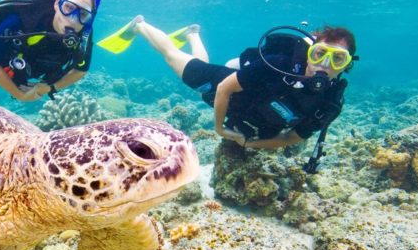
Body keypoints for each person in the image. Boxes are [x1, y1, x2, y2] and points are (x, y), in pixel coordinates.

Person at [129, 16, 357, 150]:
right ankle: (139, 25)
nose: (324, 65)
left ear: (346, 66)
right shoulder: (278, 64)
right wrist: (220, 129)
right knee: (172, 56)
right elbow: (224, 88)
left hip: (240, 109)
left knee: (196, 63)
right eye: (319, 54)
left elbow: (291, 138)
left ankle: (192, 34)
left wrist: (249, 144)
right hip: (223, 87)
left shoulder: (330, 104)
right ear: (309, 53)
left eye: (337, 59)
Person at [0, 0, 98, 102]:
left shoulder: (84, 32)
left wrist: (51, 88)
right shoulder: (25, 19)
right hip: (8, 54)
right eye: (69, 7)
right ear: (57, 3)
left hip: (33, 64)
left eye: (83, 14)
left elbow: (81, 70)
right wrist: (21, 96)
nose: (73, 19)